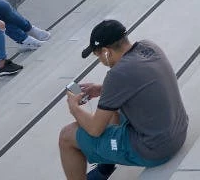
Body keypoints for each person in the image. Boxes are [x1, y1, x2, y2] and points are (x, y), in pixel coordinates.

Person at [59, 19, 188, 179]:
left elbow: (94, 129)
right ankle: (106, 167)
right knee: (112, 108)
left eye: (98, 55)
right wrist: (102, 89)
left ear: (106, 52)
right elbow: (139, 82)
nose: (100, 60)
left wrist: (74, 107)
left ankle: (107, 158)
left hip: (155, 150)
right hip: (178, 133)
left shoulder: (117, 74)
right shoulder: (149, 47)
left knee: (66, 136)